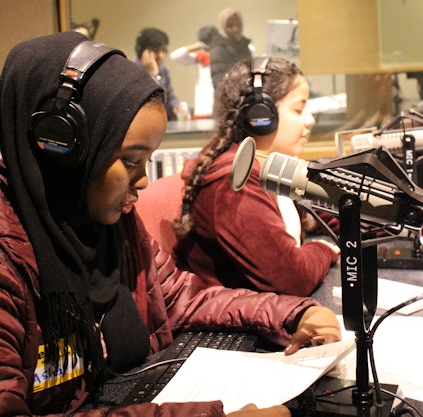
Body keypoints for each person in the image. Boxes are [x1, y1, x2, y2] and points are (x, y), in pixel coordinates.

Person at [0, 32, 341, 416]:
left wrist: (295, 313)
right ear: (61, 152)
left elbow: (183, 297)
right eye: (130, 161)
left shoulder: (114, 227)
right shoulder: (7, 263)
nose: (143, 180)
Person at [173, 56, 340, 297]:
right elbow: (293, 277)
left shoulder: (273, 168)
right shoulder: (236, 182)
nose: (310, 120)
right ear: (261, 115)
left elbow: (329, 214)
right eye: (298, 108)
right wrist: (323, 249)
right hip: (238, 327)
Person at [209, 8, 253, 115]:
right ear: (223, 27)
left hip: (245, 103)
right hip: (227, 108)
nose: (235, 29)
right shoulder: (218, 49)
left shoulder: (244, 46)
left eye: (239, 24)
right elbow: (220, 83)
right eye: (230, 25)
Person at [170, 25, 219, 118]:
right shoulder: (199, 58)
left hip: (220, 106)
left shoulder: (225, 57)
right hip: (204, 107)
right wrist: (199, 45)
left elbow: (250, 49)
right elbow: (175, 56)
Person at [134, 27, 180, 120]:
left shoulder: (163, 70)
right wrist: (153, 73)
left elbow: (170, 95)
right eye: (155, 51)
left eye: (163, 50)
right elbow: (152, 101)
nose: (161, 56)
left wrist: (176, 106)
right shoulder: (133, 71)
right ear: (142, 51)